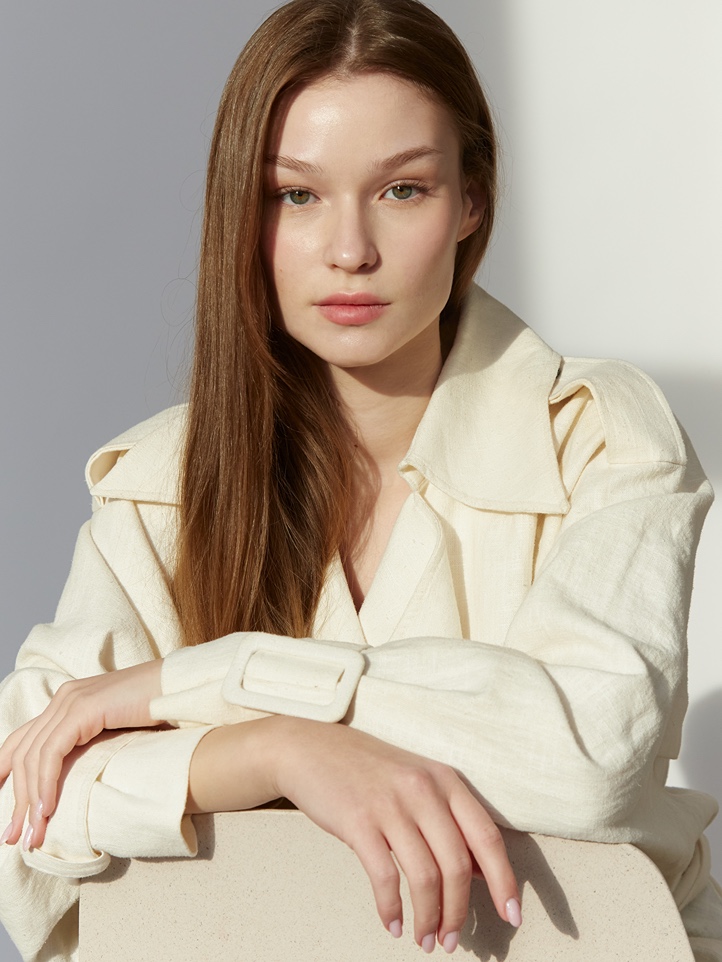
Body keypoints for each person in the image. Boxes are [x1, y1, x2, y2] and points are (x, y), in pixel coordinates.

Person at [0, 0, 720, 959]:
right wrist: (277, 749)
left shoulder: (598, 436)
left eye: (403, 190)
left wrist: (204, 684)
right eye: (296, 195)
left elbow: (590, 759)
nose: (350, 250)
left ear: (472, 201)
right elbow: (27, 814)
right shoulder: (161, 483)